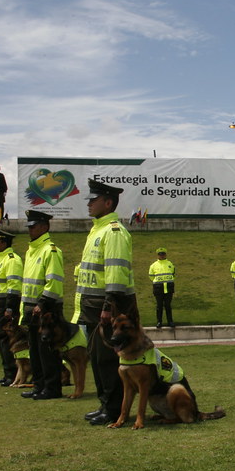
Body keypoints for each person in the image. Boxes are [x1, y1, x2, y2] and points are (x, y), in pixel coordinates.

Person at [77, 178, 137, 427]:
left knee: (109, 360)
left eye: (94, 200)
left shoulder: (113, 231)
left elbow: (116, 273)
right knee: (97, 358)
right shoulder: (97, 230)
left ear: (108, 202)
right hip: (93, 306)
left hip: (109, 307)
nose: (89, 204)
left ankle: (113, 409)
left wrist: (107, 306)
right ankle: (104, 404)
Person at [19, 210, 65, 400]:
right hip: (31, 309)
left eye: (34, 226)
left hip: (46, 309)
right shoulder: (31, 250)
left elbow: (53, 281)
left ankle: (52, 388)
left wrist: (42, 303)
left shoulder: (50, 250)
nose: (30, 230)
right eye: (29, 226)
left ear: (45, 227)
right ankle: (38, 386)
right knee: (35, 352)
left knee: (47, 352)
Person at [0, 229, 23, 387]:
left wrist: (10, 308)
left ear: (4, 242)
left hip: (6, 306)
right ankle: (7, 373)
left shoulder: (11, 260)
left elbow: (14, 286)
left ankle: (14, 374)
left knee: (9, 342)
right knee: (2, 341)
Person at [148, 247, 175, 328]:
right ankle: (159, 321)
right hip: (158, 288)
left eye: (163, 254)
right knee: (159, 306)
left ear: (165, 254)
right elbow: (151, 276)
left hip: (169, 288)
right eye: (160, 254)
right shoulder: (153, 265)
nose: (162, 255)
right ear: (157, 255)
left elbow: (173, 274)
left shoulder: (170, 264)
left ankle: (170, 321)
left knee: (168, 305)